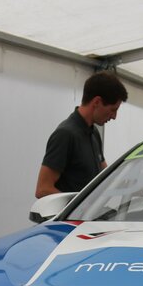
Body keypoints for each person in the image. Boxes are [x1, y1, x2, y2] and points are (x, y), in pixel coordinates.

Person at [35, 71, 128, 199]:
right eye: (113, 110)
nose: (114, 116)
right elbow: (43, 189)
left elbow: (106, 177)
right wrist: (80, 206)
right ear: (97, 102)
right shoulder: (65, 135)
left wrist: (133, 186)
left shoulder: (94, 133)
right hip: (72, 213)